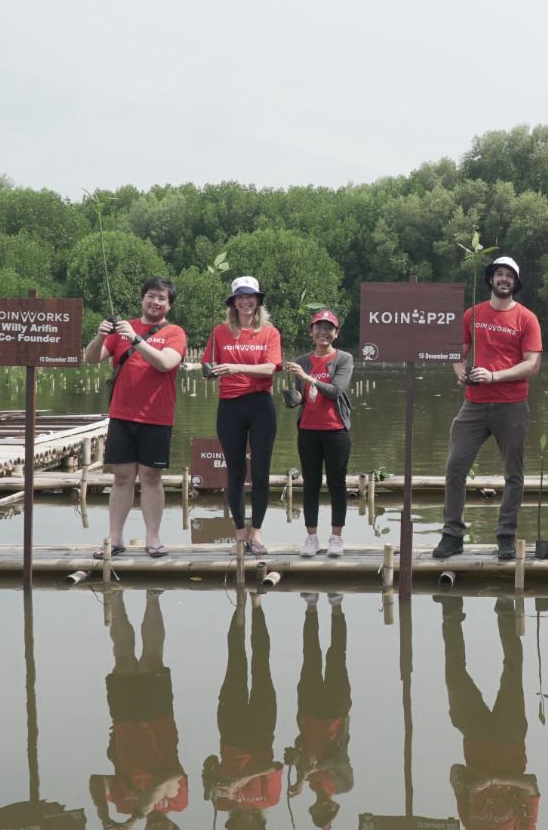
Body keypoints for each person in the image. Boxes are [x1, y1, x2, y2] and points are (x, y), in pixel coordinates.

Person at [436, 256, 543, 562]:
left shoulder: (526, 318)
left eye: (509, 275)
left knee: (514, 473)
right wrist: (460, 370)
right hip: (474, 404)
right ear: (491, 279)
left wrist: (495, 375)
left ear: (516, 282)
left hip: (511, 404)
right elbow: (458, 351)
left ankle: (506, 536)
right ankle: (452, 533)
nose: (504, 279)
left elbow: (532, 365)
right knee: (455, 467)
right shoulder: (473, 313)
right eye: (499, 274)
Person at [85, 277, 186, 559]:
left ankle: (152, 538)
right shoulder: (122, 329)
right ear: (142, 298)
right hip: (121, 414)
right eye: (151, 296)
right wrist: (101, 335)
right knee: (121, 477)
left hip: (157, 416)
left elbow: (166, 363)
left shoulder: (175, 332)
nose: (155, 302)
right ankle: (115, 537)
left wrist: (136, 339)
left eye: (162, 298)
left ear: (169, 304)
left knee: (152, 477)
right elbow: (92, 358)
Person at [442, 595, 540, 830]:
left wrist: (458, 782)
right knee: (512, 669)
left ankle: (451, 612)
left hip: (475, 737)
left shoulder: (471, 825)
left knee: (454, 677)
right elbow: (531, 785)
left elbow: (455, 773)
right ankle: (506, 610)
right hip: (510, 738)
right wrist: (494, 780)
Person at [92, 590, 188, 829]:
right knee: (151, 659)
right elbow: (166, 779)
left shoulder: (123, 806)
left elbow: (98, 781)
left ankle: (115, 598)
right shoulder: (177, 803)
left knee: (123, 658)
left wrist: (104, 816)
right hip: (159, 721)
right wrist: (137, 815)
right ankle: (152, 597)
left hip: (124, 722)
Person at [203, 276, 283, 556]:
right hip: (230, 407)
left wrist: (235, 368)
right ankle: (238, 533)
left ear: (258, 301)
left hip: (261, 405)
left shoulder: (270, 333)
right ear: (233, 302)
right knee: (235, 472)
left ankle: (256, 532)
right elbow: (208, 368)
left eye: (251, 297)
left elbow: (271, 368)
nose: (246, 302)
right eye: (240, 297)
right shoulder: (220, 332)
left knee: (260, 473)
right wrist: (209, 371)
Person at [204, 596, 283, 830]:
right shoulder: (269, 800)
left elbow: (210, 762)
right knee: (261, 663)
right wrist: (243, 779)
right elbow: (275, 767)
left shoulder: (222, 804)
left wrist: (212, 783)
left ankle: (239, 606)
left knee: (235, 661)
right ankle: (256, 604)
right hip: (261, 734)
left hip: (231, 734)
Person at [283, 310, 354, 559]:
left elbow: (335, 391)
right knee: (310, 485)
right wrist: (292, 396)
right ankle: (311, 538)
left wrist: (306, 378)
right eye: (318, 327)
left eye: (329, 328)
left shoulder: (343, 358)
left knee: (337, 484)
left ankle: (336, 538)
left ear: (336, 333)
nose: (323, 332)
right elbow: (301, 396)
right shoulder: (302, 360)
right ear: (311, 332)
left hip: (336, 431)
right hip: (308, 431)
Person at [285, 593, 353, 830]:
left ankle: (311, 606)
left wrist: (299, 779)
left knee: (310, 657)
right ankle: (337, 607)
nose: (324, 806)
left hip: (308, 712)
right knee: (337, 656)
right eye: (328, 811)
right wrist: (317, 766)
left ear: (313, 808)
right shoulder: (344, 785)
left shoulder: (310, 782)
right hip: (335, 713)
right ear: (334, 808)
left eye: (318, 811)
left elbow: (296, 755)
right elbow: (339, 760)